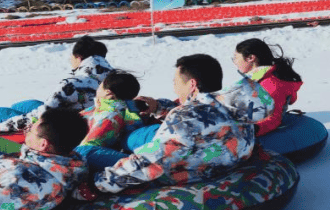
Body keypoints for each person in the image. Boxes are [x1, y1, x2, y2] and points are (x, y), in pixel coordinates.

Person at [84, 54, 273, 198]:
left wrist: (97, 185)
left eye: (175, 82)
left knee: (86, 152)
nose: (174, 87)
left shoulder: (184, 119)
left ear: (192, 84)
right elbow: (202, 117)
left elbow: (149, 164)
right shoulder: (237, 109)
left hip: (182, 174)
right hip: (218, 162)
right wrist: (159, 107)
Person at [0, 36, 115, 132]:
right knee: (27, 104)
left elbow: (43, 115)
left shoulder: (73, 84)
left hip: (64, 129)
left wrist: (4, 126)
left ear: (79, 58)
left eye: (72, 56)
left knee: (1, 112)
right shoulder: (117, 79)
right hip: (82, 118)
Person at [232, 38, 304, 136]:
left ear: (250, 58)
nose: (234, 62)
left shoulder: (271, 84)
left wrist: (247, 131)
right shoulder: (258, 77)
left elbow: (273, 119)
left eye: (235, 57)